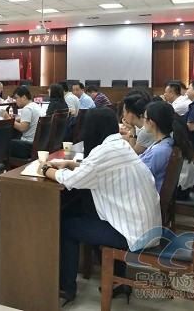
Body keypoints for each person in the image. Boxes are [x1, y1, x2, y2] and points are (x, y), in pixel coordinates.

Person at [40, 108, 161, 304]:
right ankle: (117, 280)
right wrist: (71, 164)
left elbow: (71, 181)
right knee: (87, 212)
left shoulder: (105, 151)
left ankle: (66, 289)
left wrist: (46, 169)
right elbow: (96, 169)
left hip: (132, 233)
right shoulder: (120, 145)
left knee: (67, 226)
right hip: (144, 226)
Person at [140, 101, 193, 191]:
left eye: (144, 118)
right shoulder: (165, 141)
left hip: (149, 193)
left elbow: (139, 176)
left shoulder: (160, 151)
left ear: (151, 122)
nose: (143, 121)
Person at [0, 86, 42, 159]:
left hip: (28, 145)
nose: (15, 101)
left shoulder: (27, 109)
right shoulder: (35, 106)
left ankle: (0, 163)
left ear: (24, 97)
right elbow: (26, 120)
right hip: (38, 143)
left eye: (16, 98)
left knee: (3, 141)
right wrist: (14, 119)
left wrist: (8, 118)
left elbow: (23, 128)